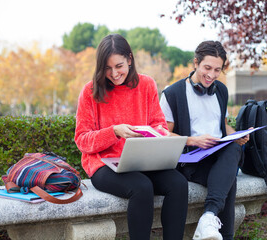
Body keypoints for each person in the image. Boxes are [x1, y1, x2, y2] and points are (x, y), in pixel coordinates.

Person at [74, 34, 188, 240]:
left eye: (119, 66)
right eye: (107, 68)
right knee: (142, 187)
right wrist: (114, 131)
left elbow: (159, 124)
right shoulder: (89, 91)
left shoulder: (146, 85)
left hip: (142, 161)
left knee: (179, 184)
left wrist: (157, 134)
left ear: (129, 59)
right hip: (104, 165)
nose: (114, 74)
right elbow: (82, 139)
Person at [160, 40, 250, 240]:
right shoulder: (173, 94)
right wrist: (193, 140)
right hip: (189, 161)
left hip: (217, 158)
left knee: (233, 150)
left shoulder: (221, 90)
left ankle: (208, 218)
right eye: (207, 68)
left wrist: (236, 134)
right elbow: (163, 134)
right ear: (196, 63)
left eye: (217, 70)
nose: (211, 75)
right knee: (229, 180)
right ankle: (216, 226)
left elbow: (222, 126)